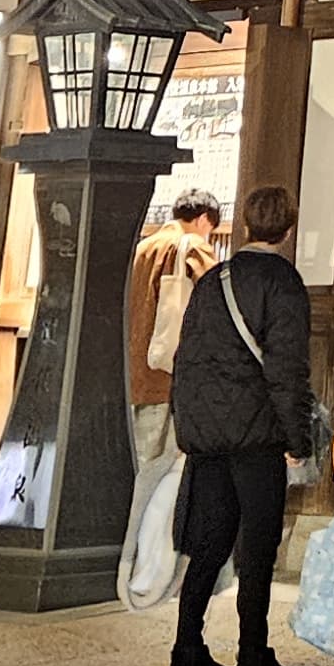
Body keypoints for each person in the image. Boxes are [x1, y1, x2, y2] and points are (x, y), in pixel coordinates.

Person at [161, 182, 316, 666]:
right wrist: (298, 437)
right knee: (257, 546)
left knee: (208, 544)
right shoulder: (284, 283)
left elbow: (188, 357)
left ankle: (187, 651)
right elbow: (286, 369)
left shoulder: (214, 280)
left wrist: (190, 428)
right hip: (256, 434)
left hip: (208, 435)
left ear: (246, 223)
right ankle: (253, 655)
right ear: (288, 227)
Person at [128, 188, 224, 484]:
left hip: (135, 371)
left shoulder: (144, 246)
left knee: (140, 464)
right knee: (167, 472)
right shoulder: (192, 246)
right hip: (171, 374)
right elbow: (219, 299)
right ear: (205, 220)